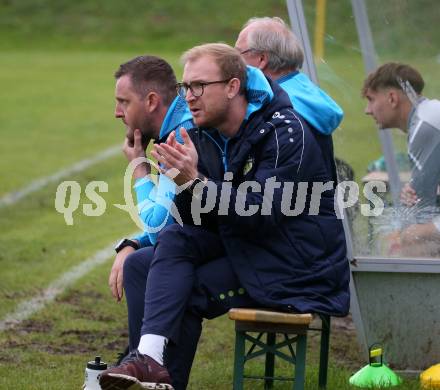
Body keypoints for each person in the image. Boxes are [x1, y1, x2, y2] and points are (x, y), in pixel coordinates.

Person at [100, 43, 350, 390]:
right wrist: (180, 188)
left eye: (199, 86)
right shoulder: (206, 134)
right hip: (248, 247)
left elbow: (258, 213)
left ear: (233, 87)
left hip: (295, 264)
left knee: (181, 289)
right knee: (148, 260)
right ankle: (148, 360)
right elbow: (192, 221)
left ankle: (156, 374)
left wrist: (195, 181)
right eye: (186, 88)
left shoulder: (284, 131)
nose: (188, 97)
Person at [110, 55, 193, 340]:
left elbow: (160, 230)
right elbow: (166, 219)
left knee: (141, 264)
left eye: (124, 102)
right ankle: (141, 358)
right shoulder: (176, 128)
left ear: (152, 101)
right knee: (140, 260)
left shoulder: (180, 136)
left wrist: (139, 168)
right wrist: (133, 241)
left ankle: (143, 362)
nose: (117, 113)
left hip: (231, 252)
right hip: (203, 242)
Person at [362, 62, 440, 255]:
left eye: (371, 99)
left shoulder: (424, 127)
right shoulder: (427, 115)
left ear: (392, 98)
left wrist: (402, 235)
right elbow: (419, 198)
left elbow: (421, 213)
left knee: (410, 238)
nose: (367, 110)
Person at [235, 16, 343, 137]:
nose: (235, 62)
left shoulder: (274, 107)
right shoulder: (307, 93)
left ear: (262, 59)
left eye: (238, 54)